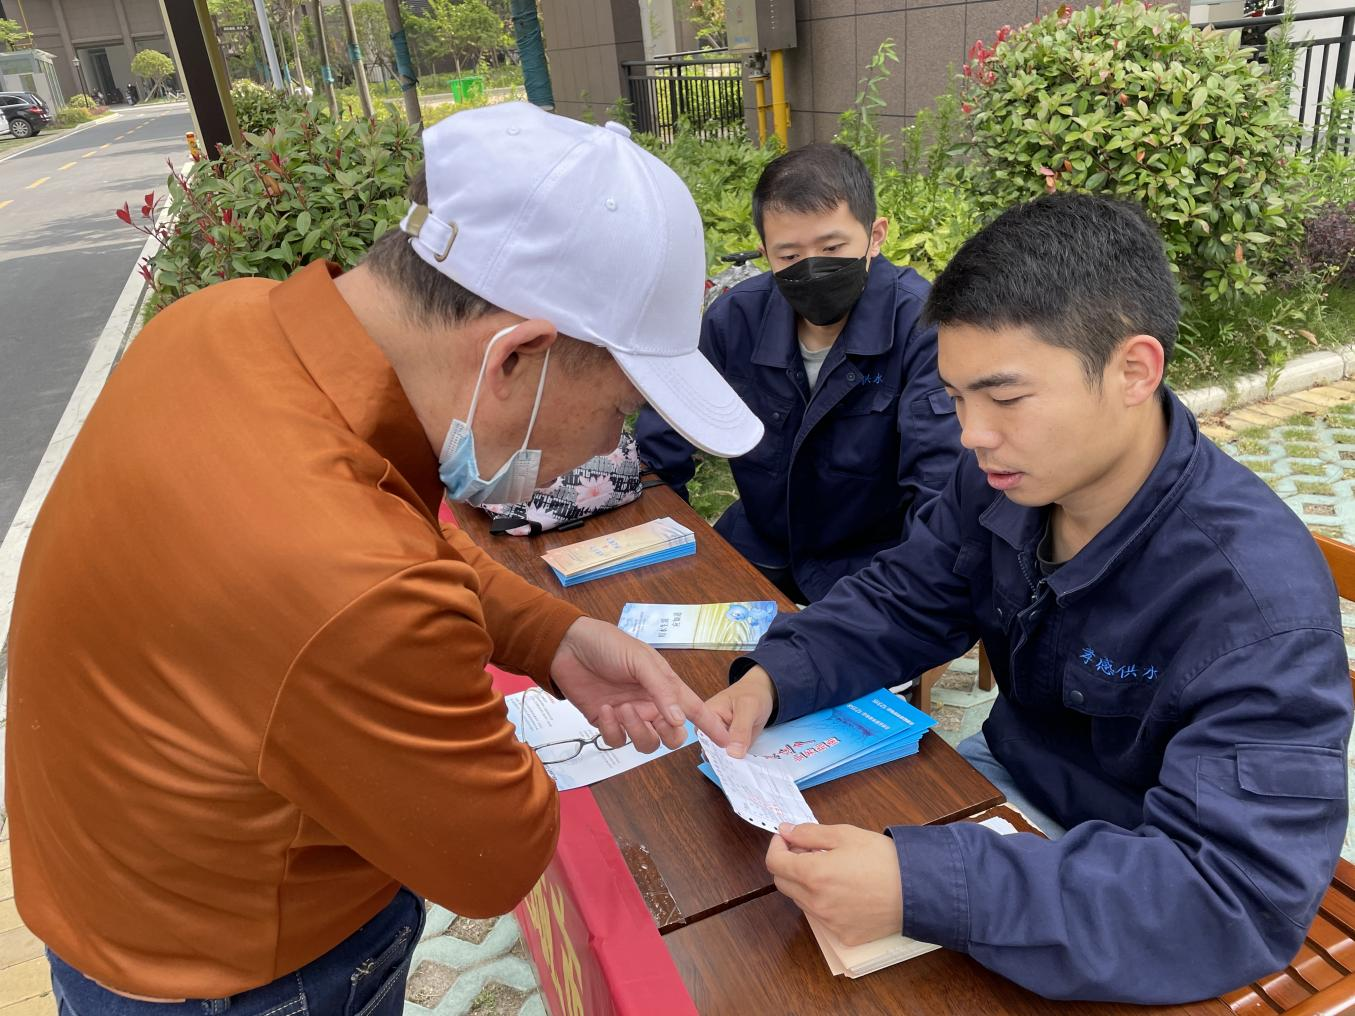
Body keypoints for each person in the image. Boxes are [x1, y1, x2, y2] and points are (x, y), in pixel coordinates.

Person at [6, 103, 761, 1013]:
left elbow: (390, 536)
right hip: (244, 969)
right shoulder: (351, 583)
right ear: (515, 355)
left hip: (121, 884)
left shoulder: (217, 321)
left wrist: (552, 638)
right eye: (617, 411)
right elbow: (489, 860)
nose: (609, 447)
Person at [706, 194, 1352, 1003]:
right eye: (955, 398)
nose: (971, 434)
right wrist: (776, 675)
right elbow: (906, 596)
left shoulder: (1253, 606)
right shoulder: (1006, 481)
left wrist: (922, 884)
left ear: (1133, 370)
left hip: (1138, 889)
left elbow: (1230, 900)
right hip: (1003, 791)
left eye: (1004, 398)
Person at [636, 143, 961, 604]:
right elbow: (659, 449)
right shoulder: (735, 321)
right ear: (765, 252)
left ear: (875, 235)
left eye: (832, 248)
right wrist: (667, 553)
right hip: (759, 546)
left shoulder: (922, 327)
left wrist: (899, 602)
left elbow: (940, 488)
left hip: (872, 565)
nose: (812, 269)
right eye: (789, 257)